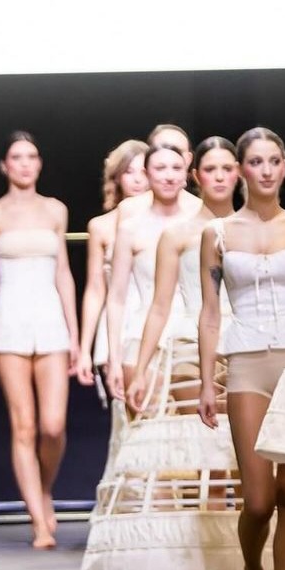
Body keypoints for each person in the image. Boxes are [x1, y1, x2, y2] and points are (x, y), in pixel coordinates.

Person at [197, 127, 285, 570]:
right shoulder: (218, 234)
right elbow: (209, 314)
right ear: (242, 169)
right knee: (260, 499)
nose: (266, 170)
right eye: (256, 162)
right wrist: (208, 381)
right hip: (245, 363)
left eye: (274, 160)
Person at [0, 132, 79, 549]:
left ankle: (43, 488)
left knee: (53, 426)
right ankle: (39, 521)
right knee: (24, 426)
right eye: (16, 157)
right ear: (4, 165)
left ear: (39, 163)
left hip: (50, 320)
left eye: (31, 156)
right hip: (9, 321)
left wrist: (75, 335)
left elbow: (64, 273)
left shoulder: (55, 209)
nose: (24, 163)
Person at [125, 136, 240, 413]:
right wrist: (140, 371)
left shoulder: (254, 231)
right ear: (196, 176)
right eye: (210, 169)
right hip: (191, 342)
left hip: (245, 342)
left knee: (242, 434)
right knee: (199, 428)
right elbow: (159, 306)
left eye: (226, 168)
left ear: (238, 172)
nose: (219, 177)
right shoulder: (176, 235)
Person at [105, 141, 200, 410]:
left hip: (192, 338)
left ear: (186, 174)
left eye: (176, 168)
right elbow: (117, 297)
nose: (169, 176)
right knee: (146, 426)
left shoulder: (203, 222)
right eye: (160, 168)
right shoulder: (130, 228)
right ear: (147, 173)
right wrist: (114, 357)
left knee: (198, 426)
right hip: (139, 337)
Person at [76, 139, 149, 387]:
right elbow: (95, 289)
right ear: (116, 177)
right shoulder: (101, 226)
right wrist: (84, 350)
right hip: (118, 323)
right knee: (126, 403)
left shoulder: (168, 223)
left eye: (143, 171)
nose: (137, 180)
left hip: (159, 317)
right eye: (129, 172)